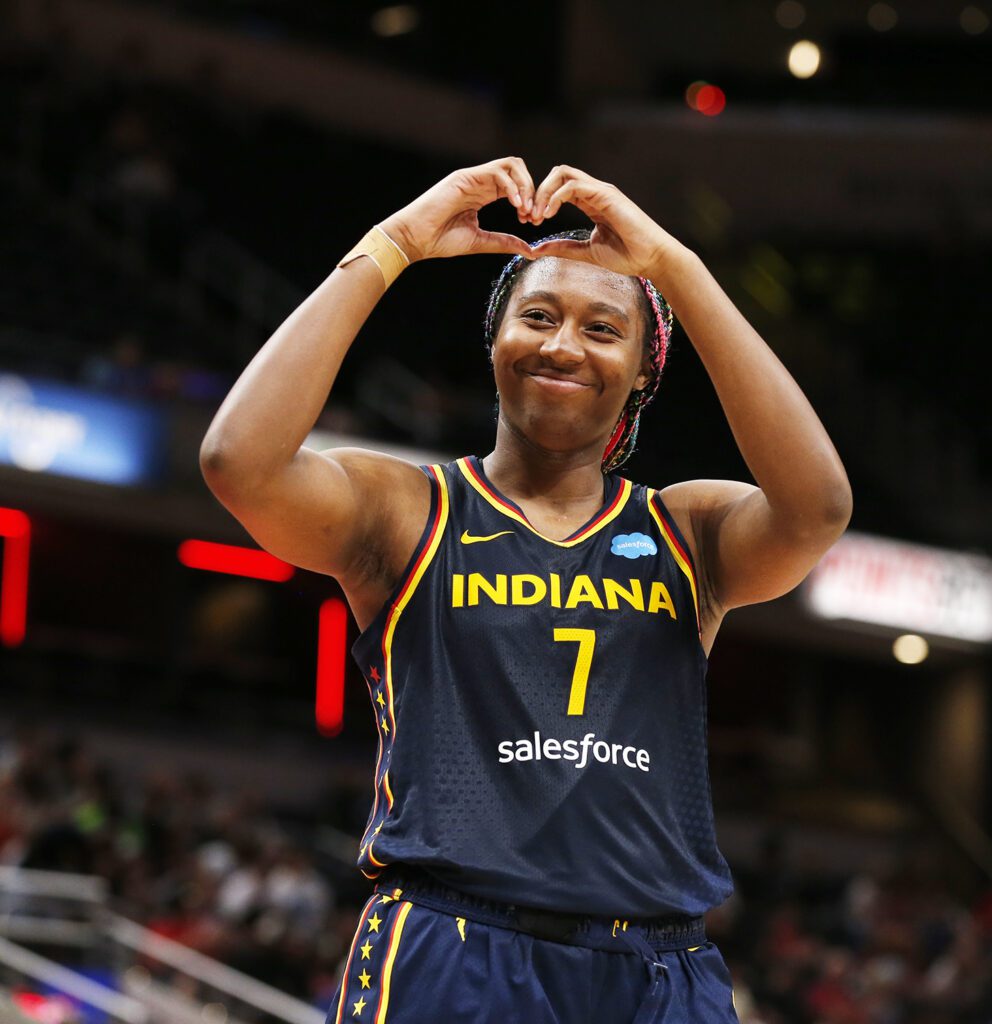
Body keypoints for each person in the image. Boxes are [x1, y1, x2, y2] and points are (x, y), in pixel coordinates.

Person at [199, 157, 853, 1023]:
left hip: (659, 966)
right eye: (537, 316)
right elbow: (237, 462)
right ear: (496, 342)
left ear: (642, 372)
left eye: (602, 328)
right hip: (455, 945)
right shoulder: (409, 509)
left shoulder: (684, 529)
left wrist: (676, 268)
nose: (561, 345)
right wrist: (393, 243)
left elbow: (817, 508)